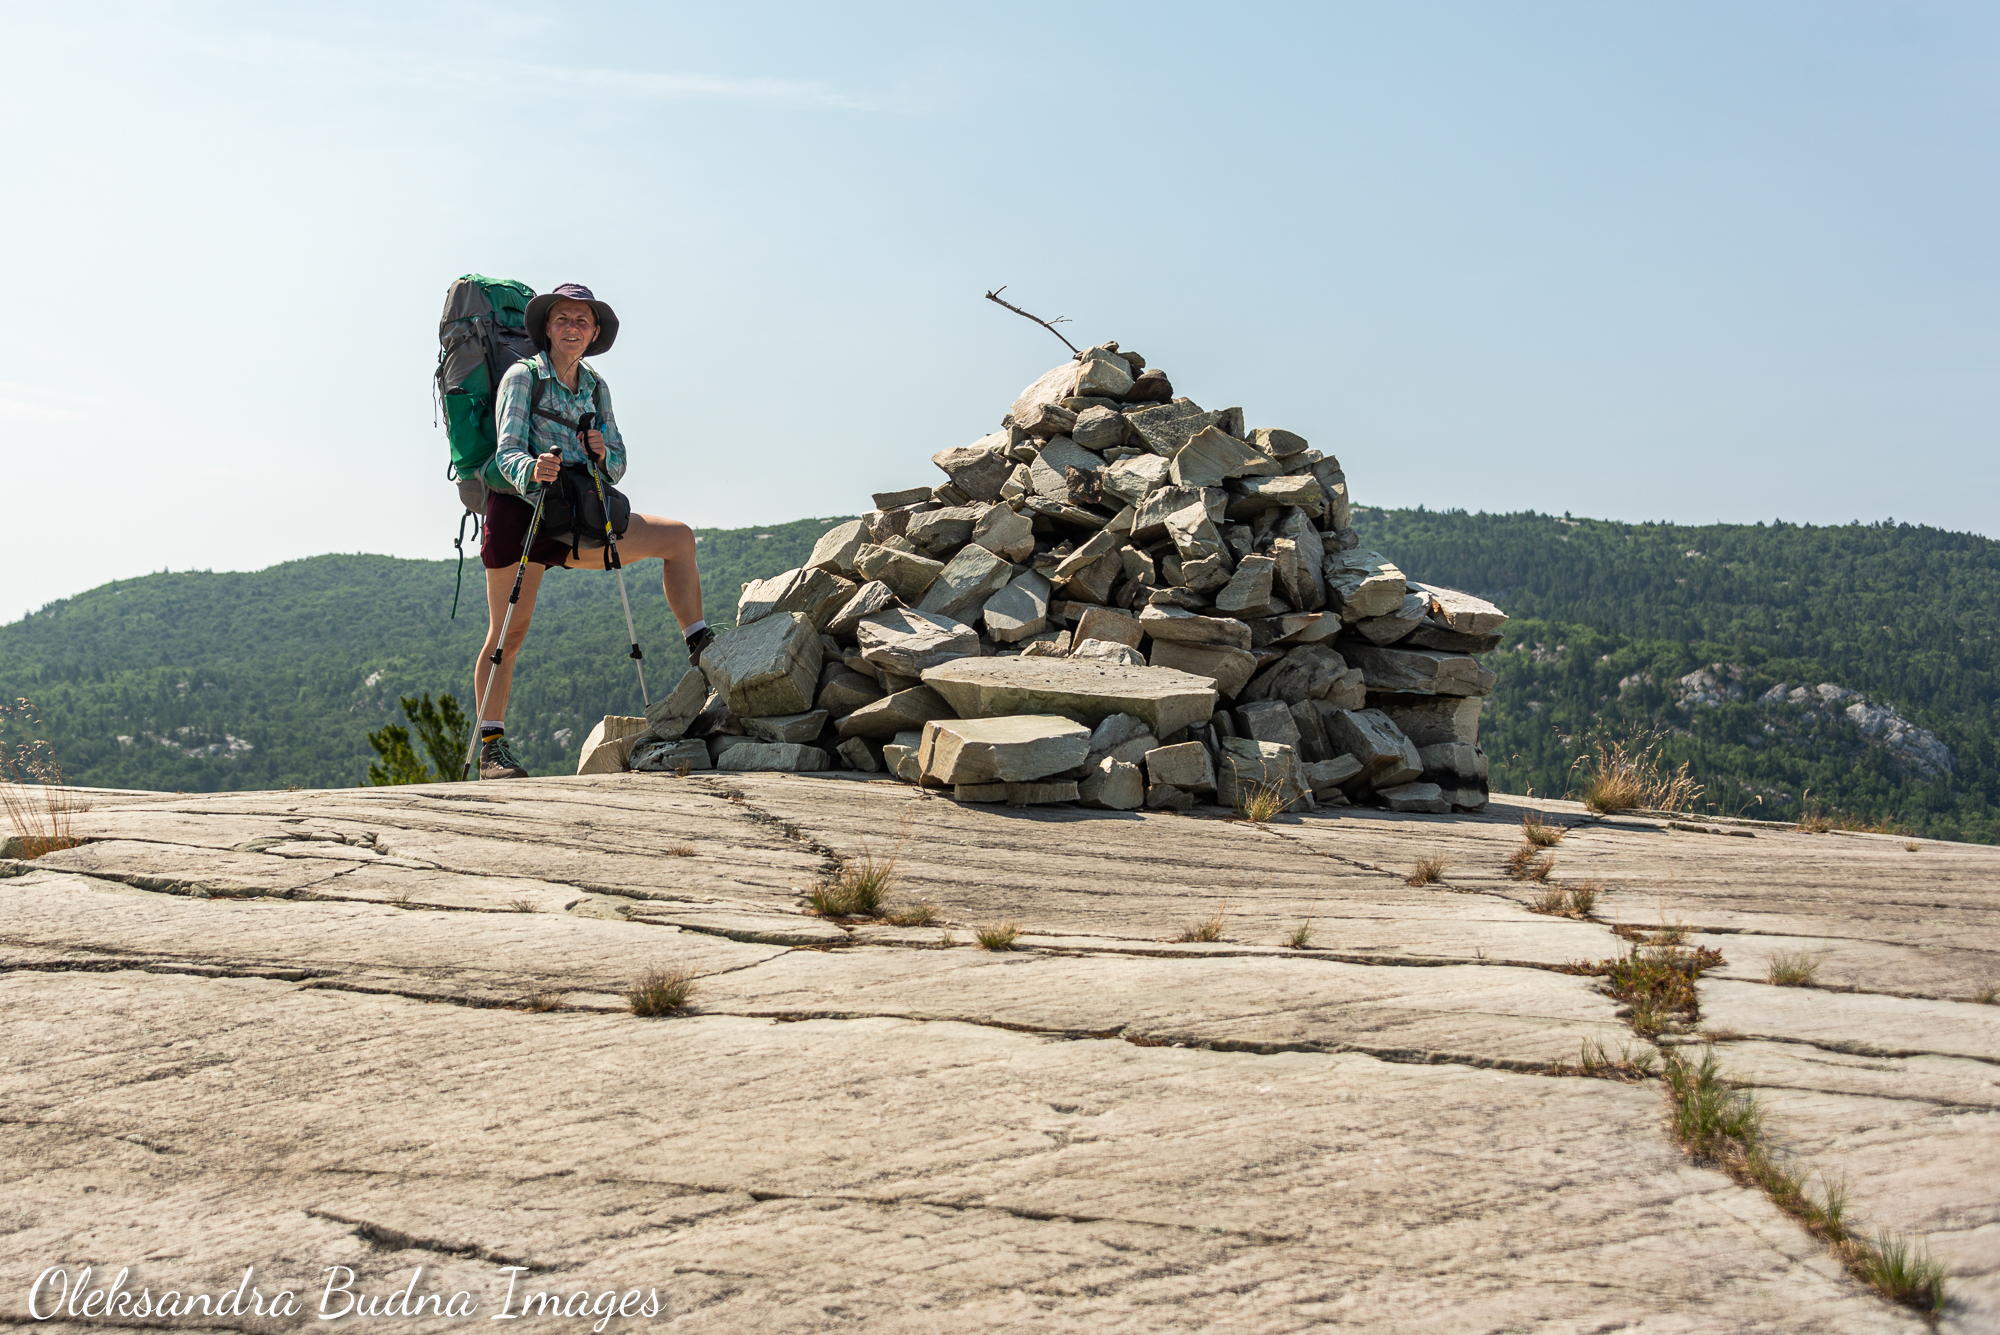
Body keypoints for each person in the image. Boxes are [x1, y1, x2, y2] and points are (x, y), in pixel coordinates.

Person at [471, 283, 709, 781]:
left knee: (678, 538)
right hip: (521, 513)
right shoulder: (522, 377)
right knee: (508, 633)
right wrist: (530, 469)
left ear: (595, 332)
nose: (573, 328)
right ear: (547, 328)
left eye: (582, 321)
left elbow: (619, 463)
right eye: (563, 319)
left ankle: (702, 647)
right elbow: (505, 450)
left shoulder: (597, 387)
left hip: (579, 514)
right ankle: (492, 748)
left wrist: (602, 453)